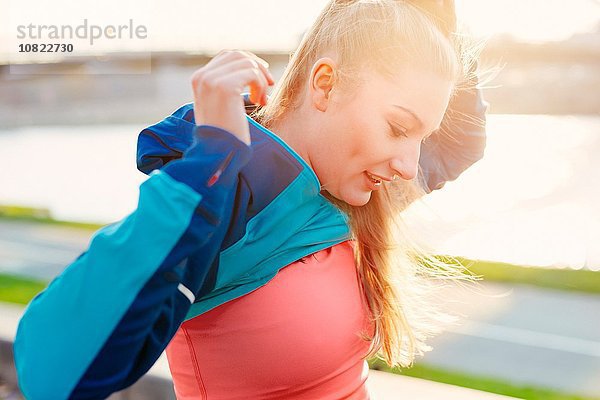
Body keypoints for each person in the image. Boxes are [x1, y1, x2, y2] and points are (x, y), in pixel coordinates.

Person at [14, 0, 488, 399]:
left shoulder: (355, 190)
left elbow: (461, 141)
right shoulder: (224, 202)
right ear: (324, 84)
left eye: (420, 139)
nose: (409, 165)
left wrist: (423, 13)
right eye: (399, 128)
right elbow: (54, 374)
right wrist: (210, 160)